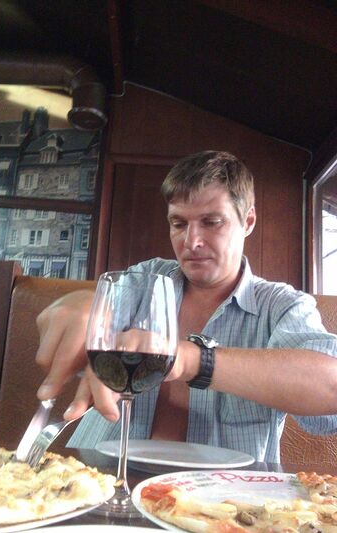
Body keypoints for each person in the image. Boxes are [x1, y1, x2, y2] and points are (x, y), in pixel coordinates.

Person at [35, 150, 337, 462]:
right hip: (96, 478)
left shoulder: (282, 306)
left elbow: (331, 389)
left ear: (247, 221)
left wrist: (192, 360)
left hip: (221, 490)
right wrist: (84, 306)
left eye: (212, 222)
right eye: (179, 223)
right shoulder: (145, 280)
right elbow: (102, 309)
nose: (191, 242)